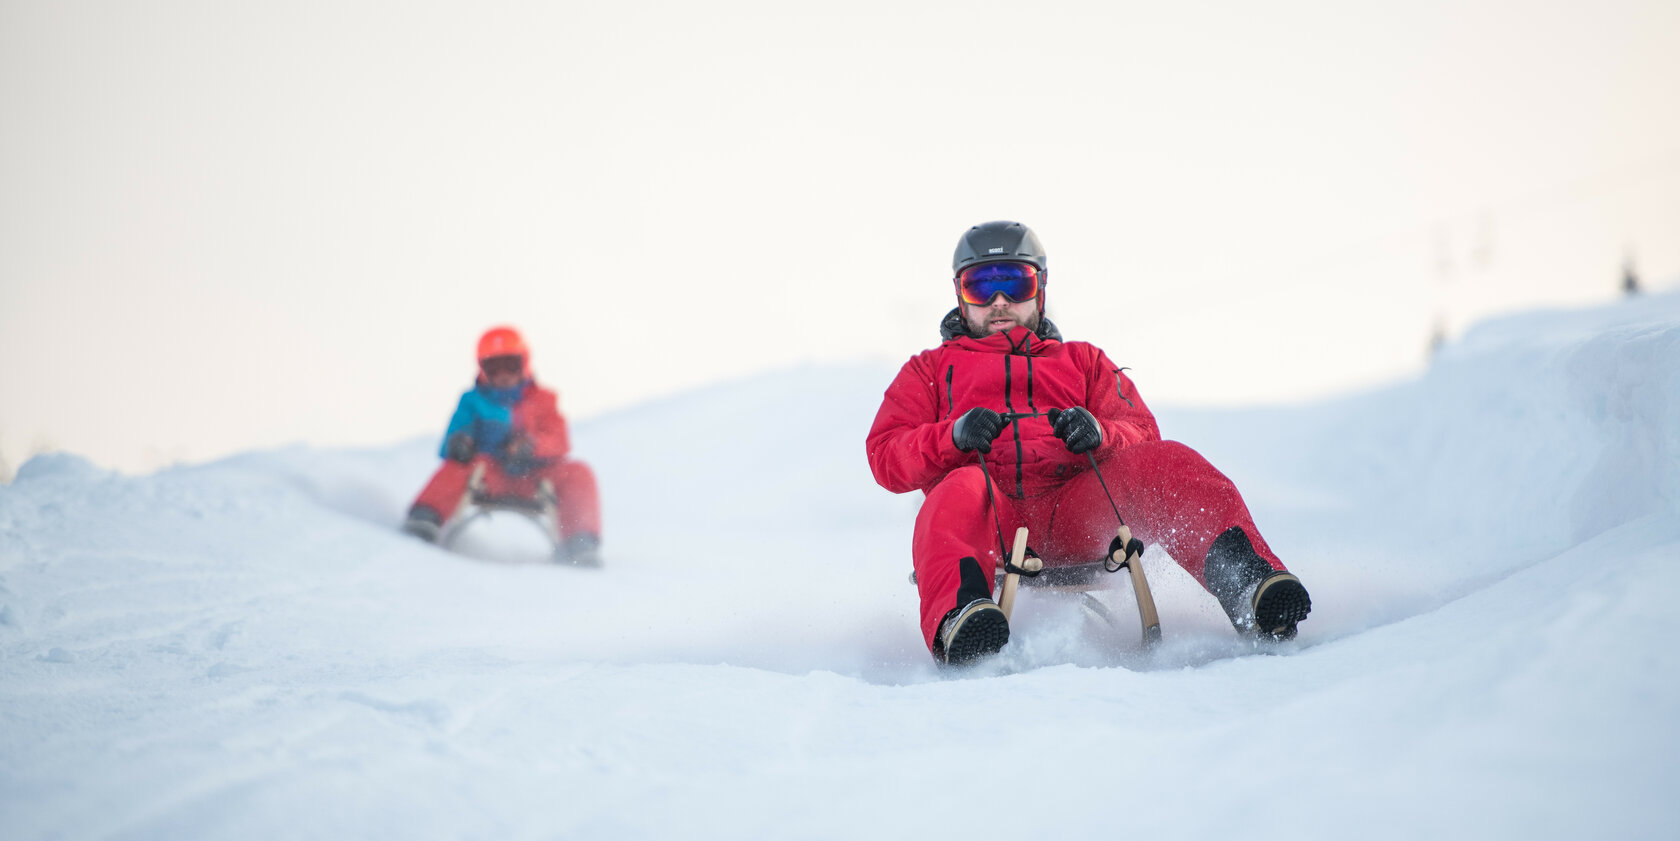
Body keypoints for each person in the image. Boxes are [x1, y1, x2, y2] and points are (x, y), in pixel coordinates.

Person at [866, 221, 1312, 664]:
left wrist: (1100, 434)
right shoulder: (928, 371)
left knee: (1168, 460)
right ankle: (962, 620)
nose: (999, 302)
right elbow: (886, 454)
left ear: (1039, 289)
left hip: (1079, 513)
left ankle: (1250, 584)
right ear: (960, 296)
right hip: (991, 522)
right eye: (980, 286)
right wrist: (953, 436)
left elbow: (1142, 434)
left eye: (1014, 284)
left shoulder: (1082, 361)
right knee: (958, 487)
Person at [404, 326, 603, 566]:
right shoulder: (473, 401)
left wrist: (532, 447)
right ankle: (426, 517)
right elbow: (452, 439)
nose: (503, 374)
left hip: (535, 477)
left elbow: (559, 439)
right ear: (483, 369)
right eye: (494, 367)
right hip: (488, 475)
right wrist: (461, 444)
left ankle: (580, 542)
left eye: (511, 364)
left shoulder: (543, 400)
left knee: (577, 472)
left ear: (524, 364)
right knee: (458, 467)